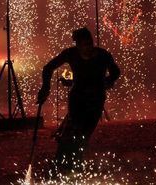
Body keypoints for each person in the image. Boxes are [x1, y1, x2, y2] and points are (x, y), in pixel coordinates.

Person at [37, 27, 120, 174]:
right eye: (84, 45)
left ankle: (75, 166)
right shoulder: (71, 54)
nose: (88, 48)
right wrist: (45, 88)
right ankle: (62, 165)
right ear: (78, 45)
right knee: (71, 132)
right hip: (78, 98)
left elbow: (116, 72)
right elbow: (48, 68)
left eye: (90, 44)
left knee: (83, 135)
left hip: (96, 100)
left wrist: (106, 82)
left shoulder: (103, 55)